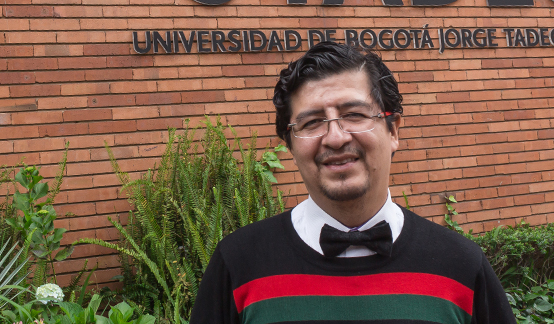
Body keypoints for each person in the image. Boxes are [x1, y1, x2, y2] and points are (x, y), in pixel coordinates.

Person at [190, 42, 516, 324]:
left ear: (393, 130)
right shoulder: (237, 264)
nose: (335, 138)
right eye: (312, 122)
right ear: (289, 144)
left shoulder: (461, 265)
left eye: (354, 115)